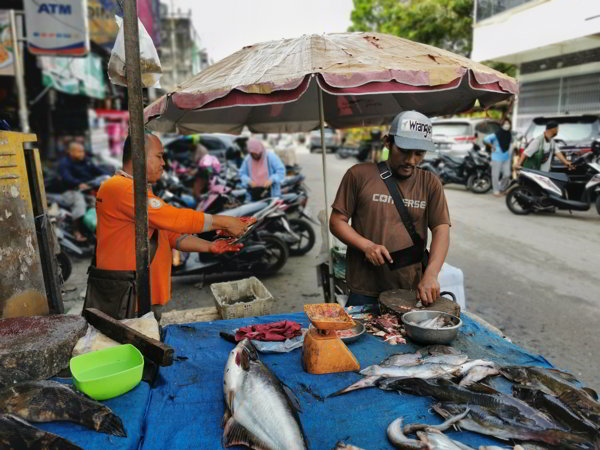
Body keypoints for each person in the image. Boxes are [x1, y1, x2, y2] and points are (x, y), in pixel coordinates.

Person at [95, 132, 254, 315]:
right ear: (139, 155)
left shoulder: (137, 189)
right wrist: (224, 222)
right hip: (128, 296)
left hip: (142, 293)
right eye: (159, 156)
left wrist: (211, 247)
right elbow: (175, 219)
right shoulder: (121, 188)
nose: (163, 163)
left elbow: (170, 235)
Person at [330, 111, 451, 307]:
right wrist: (366, 246)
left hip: (409, 290)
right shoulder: (358, 175)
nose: (411, 160)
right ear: (388, 142)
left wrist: (431, 274)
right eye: (404, 151)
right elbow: (337, 221)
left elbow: (441, 229)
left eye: (419, 153)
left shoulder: (430, 183)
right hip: (364, 289)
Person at [58, 141, 108, 242]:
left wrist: (109, 176)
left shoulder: (86, 161)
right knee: (80, 203)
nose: (82, 154)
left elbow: (98, 170)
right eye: (79, 152)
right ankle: (76, 231)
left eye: (82, 151)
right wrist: (78, 183)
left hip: (86, 190)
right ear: (71, 152)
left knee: (98, 202)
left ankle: (95, 230)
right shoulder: (64, 163)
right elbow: (67, 178)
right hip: (70, 191)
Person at [484, 119, 513, 196]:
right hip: (496, 156)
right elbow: (486, 139)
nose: (507, 125)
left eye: (508, 123)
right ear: (502, 125)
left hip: (506, 156)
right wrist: (492, 146)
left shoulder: (509, 134)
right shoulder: (496, 134)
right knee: (495, 175)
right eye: (505, 123)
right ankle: (496, 190)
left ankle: (502, 188)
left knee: (507, 174)